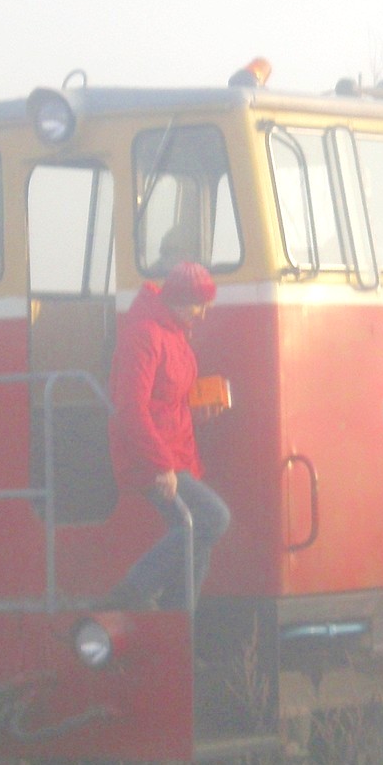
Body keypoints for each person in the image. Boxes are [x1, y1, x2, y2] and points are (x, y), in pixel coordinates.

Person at [106, 261, 230, 610]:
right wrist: (161, 466)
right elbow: (130, 407)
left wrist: (197, 411)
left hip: (175, 456)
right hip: (150, 459)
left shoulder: (174, 333)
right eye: (198, 305)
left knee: (196, 537)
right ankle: (130, 592)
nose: (204, 314)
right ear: (177, 300)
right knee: (212, 518)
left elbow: (167, 402)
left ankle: (179, 622)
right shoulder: (145, 334)